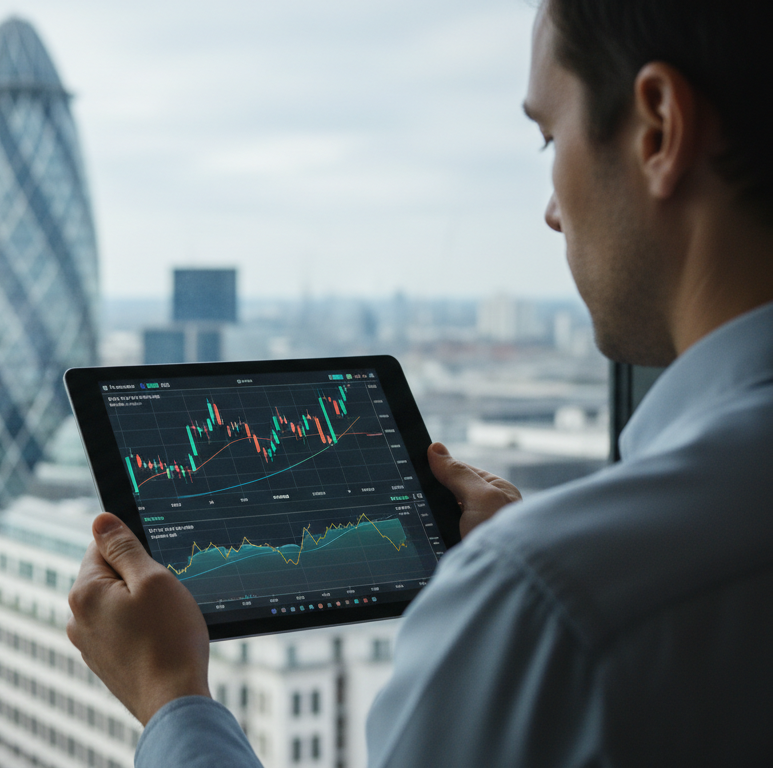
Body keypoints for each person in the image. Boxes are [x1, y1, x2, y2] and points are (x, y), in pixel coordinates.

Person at [65, 0, 773, 765]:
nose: (549, 213)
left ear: (659, 129)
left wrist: (172, 697)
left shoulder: (539, 614)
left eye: (547, 137)